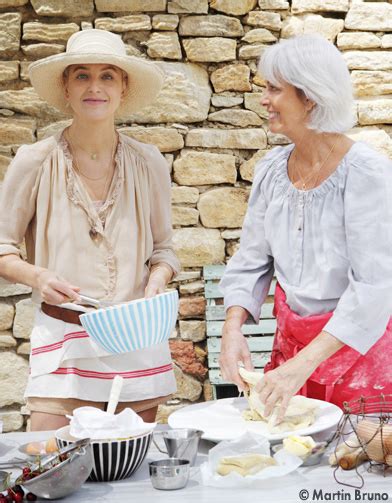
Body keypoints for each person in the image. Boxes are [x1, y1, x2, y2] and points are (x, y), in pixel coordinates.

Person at [0, 29, 181, 431]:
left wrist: (158, 278)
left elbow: (165, 249)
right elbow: (2, 249)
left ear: (123, 88)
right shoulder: (34, 161)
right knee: (46, 473)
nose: (94, 87)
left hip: (135, 342)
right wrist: (39, 277)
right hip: (65, 342)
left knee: (126, 485)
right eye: (81, 75)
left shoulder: (148, 162)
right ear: (65, 87)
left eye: (107, 76)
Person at [219, 34, 392, 423]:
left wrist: (304, 366)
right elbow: (251, 260)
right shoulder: (271, 171)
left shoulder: (366, 173)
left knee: (355, 471)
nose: (263, 99)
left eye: (274, 89)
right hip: (290, 356)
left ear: (310, 96)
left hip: (359, 360)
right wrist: (232, 331)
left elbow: (374, 287)